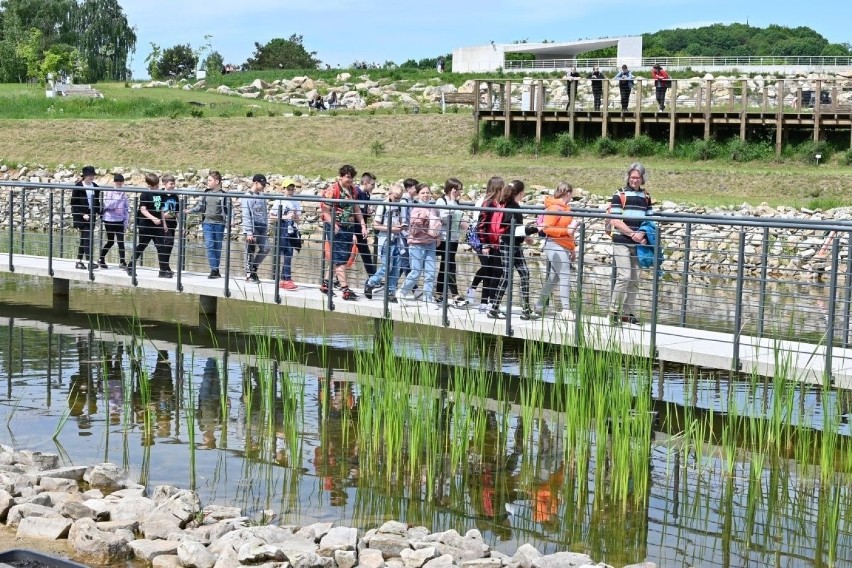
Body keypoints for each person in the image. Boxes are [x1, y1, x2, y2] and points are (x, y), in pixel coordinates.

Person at [608, 163, 653, 325]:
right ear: (628, 178)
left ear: (642, 179)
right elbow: (615, 220)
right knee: (624, 276)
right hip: (621, 241)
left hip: (638, 242)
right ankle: (613, 311)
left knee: (635, 279)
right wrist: (633, 234)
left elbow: (649, 220)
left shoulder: (646, 196)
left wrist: (644, 235)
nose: (635, 180)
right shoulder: (619, 194)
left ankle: (628, 313)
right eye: (632, 177)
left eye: (638, 177)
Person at [488, 180, 539, 321]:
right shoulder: (512, 207)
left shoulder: (510, 205)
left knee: (524, 273)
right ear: (521, 193)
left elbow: (513, 228)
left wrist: (525, 236)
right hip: (508, 245)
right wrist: (536, 228)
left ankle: (526, 309)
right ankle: (493, 309)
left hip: (514, 245)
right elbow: (514, 228)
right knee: (507, 276)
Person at [320, 165, 368, 300]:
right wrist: (333, 224)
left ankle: (325, 284)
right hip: (337, 227)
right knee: (341, 259)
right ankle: (345, 290)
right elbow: (325, 210)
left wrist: (363, 225)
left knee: (340, 257)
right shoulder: (333, 190)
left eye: (352, 177)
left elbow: (356, 208)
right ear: (341, 176)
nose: (350, 180)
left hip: (349, 227)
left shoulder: (352, 190)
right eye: (348, 177)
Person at [534, 182, 577, 319]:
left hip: (563, 246)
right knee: (565, 274)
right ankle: (566, 310)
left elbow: (569, 233)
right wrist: (567, 230)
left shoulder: (566, 209)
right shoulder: (554, 208)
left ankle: (539, 305)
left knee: (554, 277)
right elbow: (546, 228)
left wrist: (572, 248)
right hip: (553, 245)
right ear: (568, 193)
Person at [396, 183, 441, 308]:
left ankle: (427, 298)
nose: (426, 195)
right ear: (418, 194)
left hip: (430, 244)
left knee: (430, 273)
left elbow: (437, 226)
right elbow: (413, 231)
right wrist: (423, 218)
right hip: (417, 244)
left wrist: (438, 237)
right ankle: (402, 292)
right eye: (423, 193)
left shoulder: (434, 208)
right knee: (416, 271)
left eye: (427, 192)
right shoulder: (415, 209)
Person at [469, 176, 505, 313]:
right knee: (491, 269)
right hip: (484, 241)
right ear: (497, 188)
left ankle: (485, 302)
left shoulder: (496, 202)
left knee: (490, 270)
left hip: (491, 241)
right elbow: (482, 225)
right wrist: (485, 245)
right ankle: (485, 301)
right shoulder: (488, 203)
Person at [126, 173, 172, 278]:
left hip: (158, 225)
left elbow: (160, 209)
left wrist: (164, 223)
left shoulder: (160, 193)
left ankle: (163, 271)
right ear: (150, 185)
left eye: (157, 184)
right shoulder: (145, 194)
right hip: (146, 225)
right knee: (142, 245)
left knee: (161, 247)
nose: (156, 187)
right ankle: (130, 266)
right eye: (154, 185)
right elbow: (143, 210)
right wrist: (153, 218)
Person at [364, 183, 404, 301]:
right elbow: (376, 225)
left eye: (399, 198)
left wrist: (401, 226)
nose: (397, 200)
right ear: (390, 194)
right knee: (387, 266)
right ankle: (371, 283)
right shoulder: (383, 206)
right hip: (386, 240)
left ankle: (391, 292)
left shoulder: (399, 206)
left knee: (396, 266)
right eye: (396, 198)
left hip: (396, 239)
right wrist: (391, 228)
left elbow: (399, 220)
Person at [188, 170, 229, 279]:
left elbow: (229, 209)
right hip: (207, 223)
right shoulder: (206, 193)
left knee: (217, 247)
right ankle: (214, 269)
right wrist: (190, 210)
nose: (208, 182)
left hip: (219, 224)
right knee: (209, 245)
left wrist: (231, 220)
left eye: (210, 180)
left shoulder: (224, 195)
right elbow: (200, 206)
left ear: (217, 181)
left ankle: (216, 270)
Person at [434, 178, 468, 306]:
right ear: (452, 189)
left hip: (454, 238)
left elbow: (456, 217)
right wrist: (453, 202)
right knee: (450, 266)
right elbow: (443, 218)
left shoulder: (456, 202)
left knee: (446, 265)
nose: (459, 192)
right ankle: (455, 295)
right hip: (443, 238)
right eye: (458, 189)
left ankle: (439, 293)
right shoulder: (441, 201)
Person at [271, 179, 302, 290]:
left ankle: (286, 279)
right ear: (283, 189)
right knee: (281, 253)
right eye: (288, 189)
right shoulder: (279, 201)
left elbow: (299, 219)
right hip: (282, 228)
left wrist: (295, 217)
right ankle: (282, 278)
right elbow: (272, 216)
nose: (290, 191)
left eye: (292, 189)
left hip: (292, 229)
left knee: (289, 254)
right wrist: (284, 217)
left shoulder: (296, 202)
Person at [70, 165, 101, 270]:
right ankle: (89, 262)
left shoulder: (95, 187)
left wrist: (99, 212)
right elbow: (74, 203)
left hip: (91, 215)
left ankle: (79, 261)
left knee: (84, 239)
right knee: (88, 238)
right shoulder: (78, 186)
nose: (91, 177)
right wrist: (82, 214)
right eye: (89, 175)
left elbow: (97, 201)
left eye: (92, 175)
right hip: (81, 216)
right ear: (85, 176)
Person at [242, 174, 271, 283]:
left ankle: (253, 268)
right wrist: (249, 232)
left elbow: (264, 212)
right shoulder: (247, 196)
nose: (264, 186)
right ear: (255, 183)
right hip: (253, 228)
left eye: (265, 184)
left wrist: (266, 225)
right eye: (262, 184)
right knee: (250, 251)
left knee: (266, 248)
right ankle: (249, 274)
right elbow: (246, 214)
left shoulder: (262, 196)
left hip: (262, 227)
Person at [97, 173, 129, 269]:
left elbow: (126, 207)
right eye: (117, 181)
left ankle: (122, 262)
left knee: (121, 242)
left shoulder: (124, 193)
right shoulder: (110, 191)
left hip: (120, 220)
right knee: (110, 241)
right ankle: (101, 259)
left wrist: (126, 221)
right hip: (109, 220)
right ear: (114, 182)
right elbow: (107, 205)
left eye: (121, 181)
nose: (119, 183)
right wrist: (117, 199)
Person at [155, 174, 180, 278]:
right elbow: (157, 209)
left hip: (172, 223)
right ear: (164, 184)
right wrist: (163, 217)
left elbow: (177, 211)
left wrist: (182, 224)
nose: (173, 185)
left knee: (169, 245)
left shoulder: (175, 196)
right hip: (162, 223)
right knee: (165, 244)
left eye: (174, 183)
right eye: (171, 183)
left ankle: (165, 267)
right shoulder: (159, 194)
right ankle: (163, 269)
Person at [354, 172, 377, 278]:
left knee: (366, 253)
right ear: (366, 183)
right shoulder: (356, 193)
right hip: (354, 228)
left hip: (361, 229)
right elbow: (353, 211)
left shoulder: (367, 194)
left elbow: (362, 210)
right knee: (345, 255)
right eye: (372, 184)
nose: (374, 187)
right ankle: (334, 280)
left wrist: (368, 211)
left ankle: (372, 277)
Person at [398, 178, 419, 281]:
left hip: (410, 234)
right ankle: (414, 289)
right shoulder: (404, 201)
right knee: (405, 260)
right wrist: (407, 235)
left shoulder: (413, 201)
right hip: (405, 235)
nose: (417, 189)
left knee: (404, 261)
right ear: (408, 188)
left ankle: (390, 284)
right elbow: (403, 221)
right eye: (415, 187)